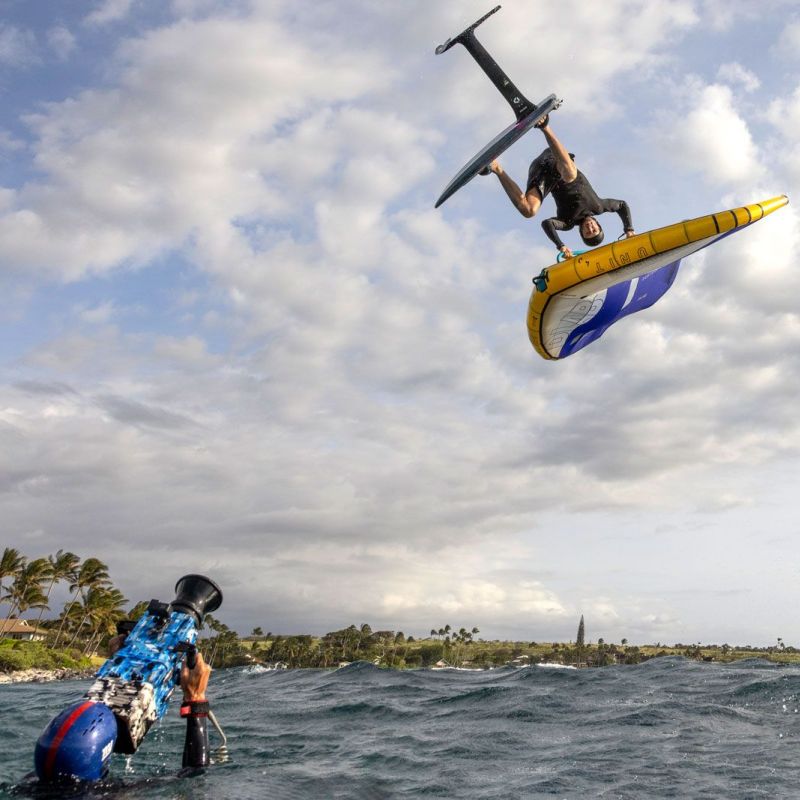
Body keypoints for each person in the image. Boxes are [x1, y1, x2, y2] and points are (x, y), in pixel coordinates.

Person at [483, 115, 636, 258]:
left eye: (588, 233)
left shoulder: (567, 223)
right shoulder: (599, 206)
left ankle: (496, 168)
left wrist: (560, 246)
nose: (590, 228)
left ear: (582, 232)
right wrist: (629, 230)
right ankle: (544, 125)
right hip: (554, 159)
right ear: (598, 225)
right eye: (594, 229)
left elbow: (547, 224)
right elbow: (621, 205)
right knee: (569, 174)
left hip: (541, 175)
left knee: (529, 211)